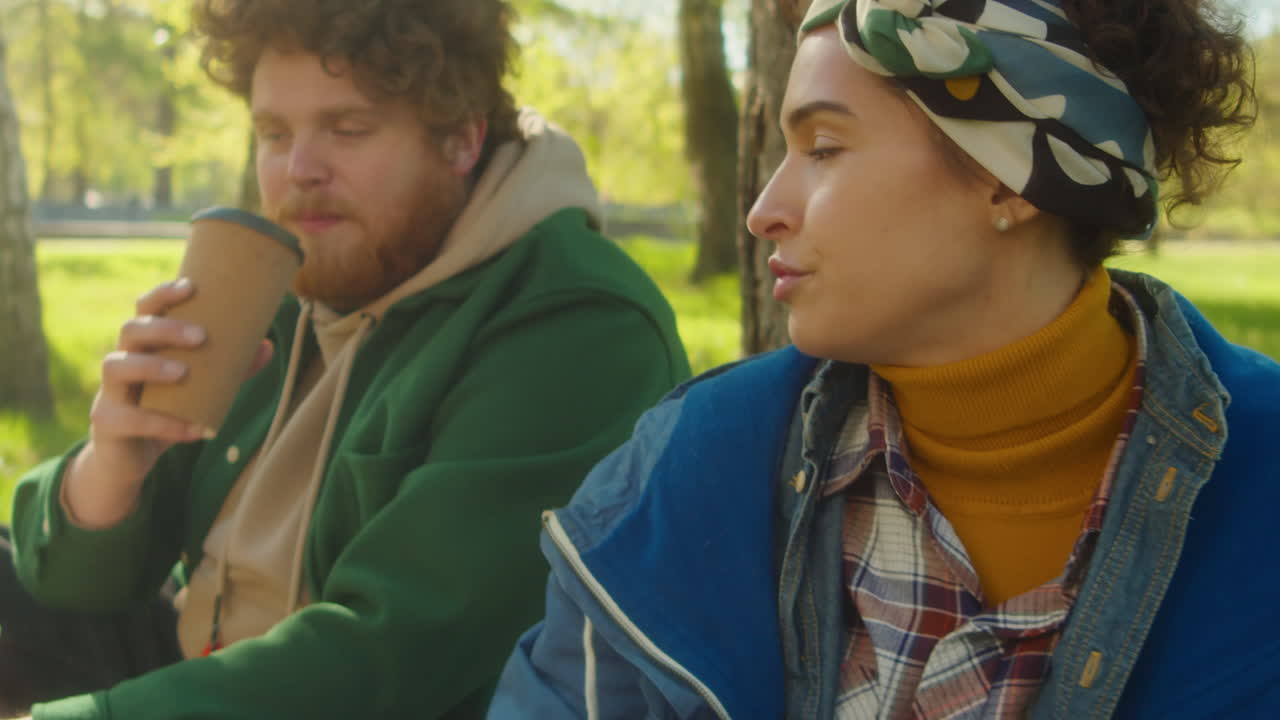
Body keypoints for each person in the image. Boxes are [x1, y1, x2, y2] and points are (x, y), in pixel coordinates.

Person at [488, 0, 1279, 717]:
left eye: (824, 149)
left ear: (1012, 177)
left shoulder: (1262, 485)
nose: (765, 211)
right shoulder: (680, 479)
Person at [2, 0, 691, 717]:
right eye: (273, 133)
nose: (299, 170)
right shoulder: (290, 276)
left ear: (461, 138)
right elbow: (73, 585)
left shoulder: (577, 326)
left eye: (348, 129)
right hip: (208, 661)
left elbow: (385, 660)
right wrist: (111, 470)